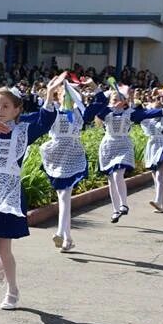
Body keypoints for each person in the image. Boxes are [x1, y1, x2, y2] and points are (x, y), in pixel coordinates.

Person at [0, 55, 66, 310]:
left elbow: (45, 121)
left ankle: (12, 290)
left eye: (5, 106)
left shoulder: (23, 131)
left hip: (9, 190)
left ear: (17, 109)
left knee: (4, 246)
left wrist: (50, 94)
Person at [94, 84, 163, 221]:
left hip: (123, 145)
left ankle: (124, 205)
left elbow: (146, 114)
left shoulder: (129, 113)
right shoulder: (106, 113)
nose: (117, 102)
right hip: (108, 146)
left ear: (125, 102)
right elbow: (98, 109)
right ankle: (115, 210)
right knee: (111, 180)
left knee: (118, 174)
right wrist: (101, 94)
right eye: (114, 100)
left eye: (119, 100)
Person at [39, 79, 104, 251]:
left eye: (69, 95)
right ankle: (67, 239)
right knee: (63, 195)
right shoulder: (53, 112)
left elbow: (101, 103)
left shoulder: (79, 112)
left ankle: (61, 232)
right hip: (55, 153)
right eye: (63, 95)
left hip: (72, 154)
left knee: (64, 194)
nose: (66, 98)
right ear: (58, 97)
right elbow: (41, 117)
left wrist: (94, 86)